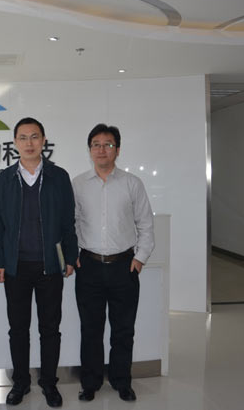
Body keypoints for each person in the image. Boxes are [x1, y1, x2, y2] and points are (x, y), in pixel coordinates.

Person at [0, 117, 77, 408]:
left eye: (34, 137)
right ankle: (21, 382)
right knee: (18, 329)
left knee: (50, 329)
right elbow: (0, 226)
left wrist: (70, 258)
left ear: (44, 141)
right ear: (15, 142)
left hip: (49, 266)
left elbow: (68, 222)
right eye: (23, 137)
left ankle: (49, 383)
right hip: (16, 267)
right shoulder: (4, 178)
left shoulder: (58, 176)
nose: (29, 143)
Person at [72, 124, 155, 402]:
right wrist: (73, 255)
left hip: (124, 266)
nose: (101, 150)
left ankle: (122, 381)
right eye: (96, 144)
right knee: (90, 329)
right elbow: (69, 223)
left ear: (117, 150)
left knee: (123, 329)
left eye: (107, 144)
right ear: (89, 150)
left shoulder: (132, 183)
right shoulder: (78, 184)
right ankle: (90, 383)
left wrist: (139, 259)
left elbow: (146, 225)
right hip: (89, 266)